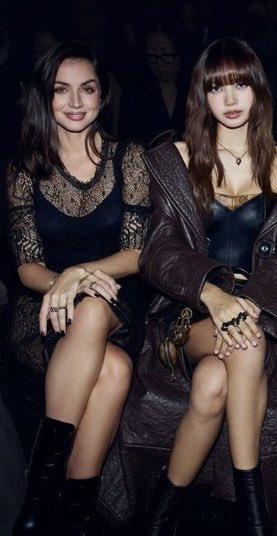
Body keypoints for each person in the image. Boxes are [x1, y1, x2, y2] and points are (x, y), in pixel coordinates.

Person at [139, 37, 277, 535]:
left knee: (213, 382)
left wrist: (249, 305)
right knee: (246, 343)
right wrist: (215, 295)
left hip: (263, 312)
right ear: (202, 95)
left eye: (241, 84)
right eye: (218, 87)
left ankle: (159, 517)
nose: (231, 98)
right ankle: (254, 515)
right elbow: (160, 250)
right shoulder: (175, 158)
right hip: (190, 313)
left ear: (259, 90)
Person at [5, 40, 151, 534]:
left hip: (115, 301)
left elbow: (135, 254)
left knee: (90, 310)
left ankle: (35, 501)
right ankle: (74, 517)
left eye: (86, 89)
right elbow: (27, 267)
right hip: (44, 308)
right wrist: (63, 282)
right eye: (61, 90)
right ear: (44, 97)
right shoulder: (25, 168)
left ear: (101, 95)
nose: (74, 102)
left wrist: (79, 273)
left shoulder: (128, 157)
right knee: (113, 371)